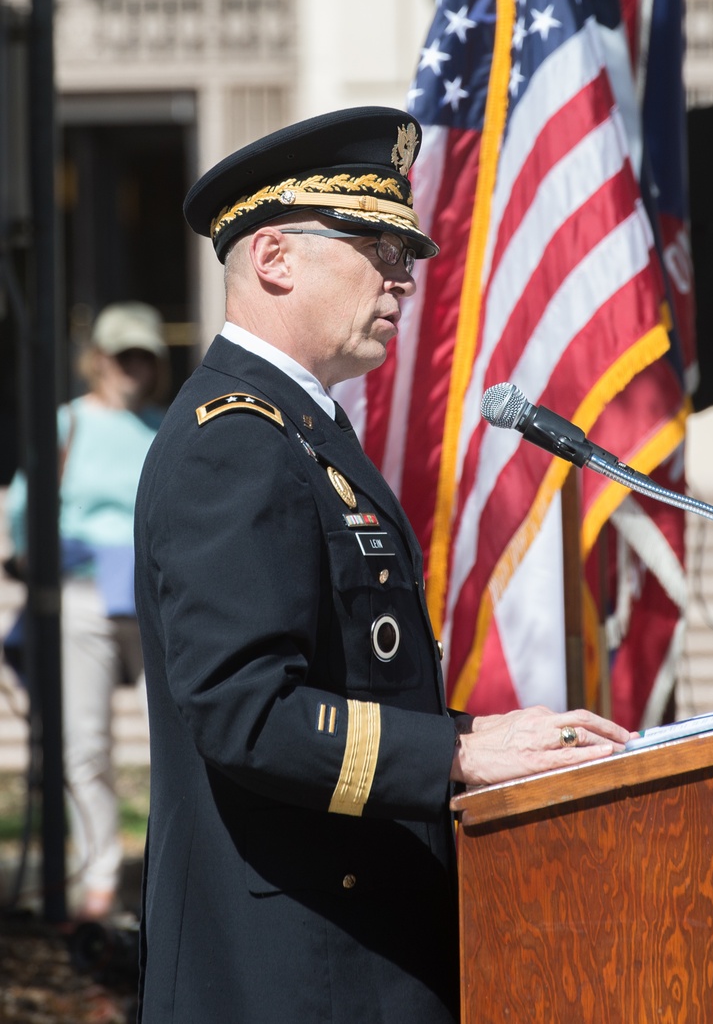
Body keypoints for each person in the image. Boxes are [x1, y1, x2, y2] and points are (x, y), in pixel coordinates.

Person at [133, 107, 632, 1024]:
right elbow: (245, 711)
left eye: (406, 254)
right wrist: (458, 751)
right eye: (375, 245)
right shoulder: (236, 441)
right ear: (275, 257)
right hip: (293, 968)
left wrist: (489, 733)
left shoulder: (300, 428)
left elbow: (353, 680)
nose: (404, 278)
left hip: (351, 941)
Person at [5, 301, 166, 918]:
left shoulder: (166, 424)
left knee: (174, 740)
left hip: (154, 596)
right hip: (83, 598)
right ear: (98, 359)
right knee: (83, 744)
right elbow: (27, 510)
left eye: (144, 357)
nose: (134, 367)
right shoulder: (67, 423)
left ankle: (164, 866)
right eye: (123, 355)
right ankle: (98, 872)